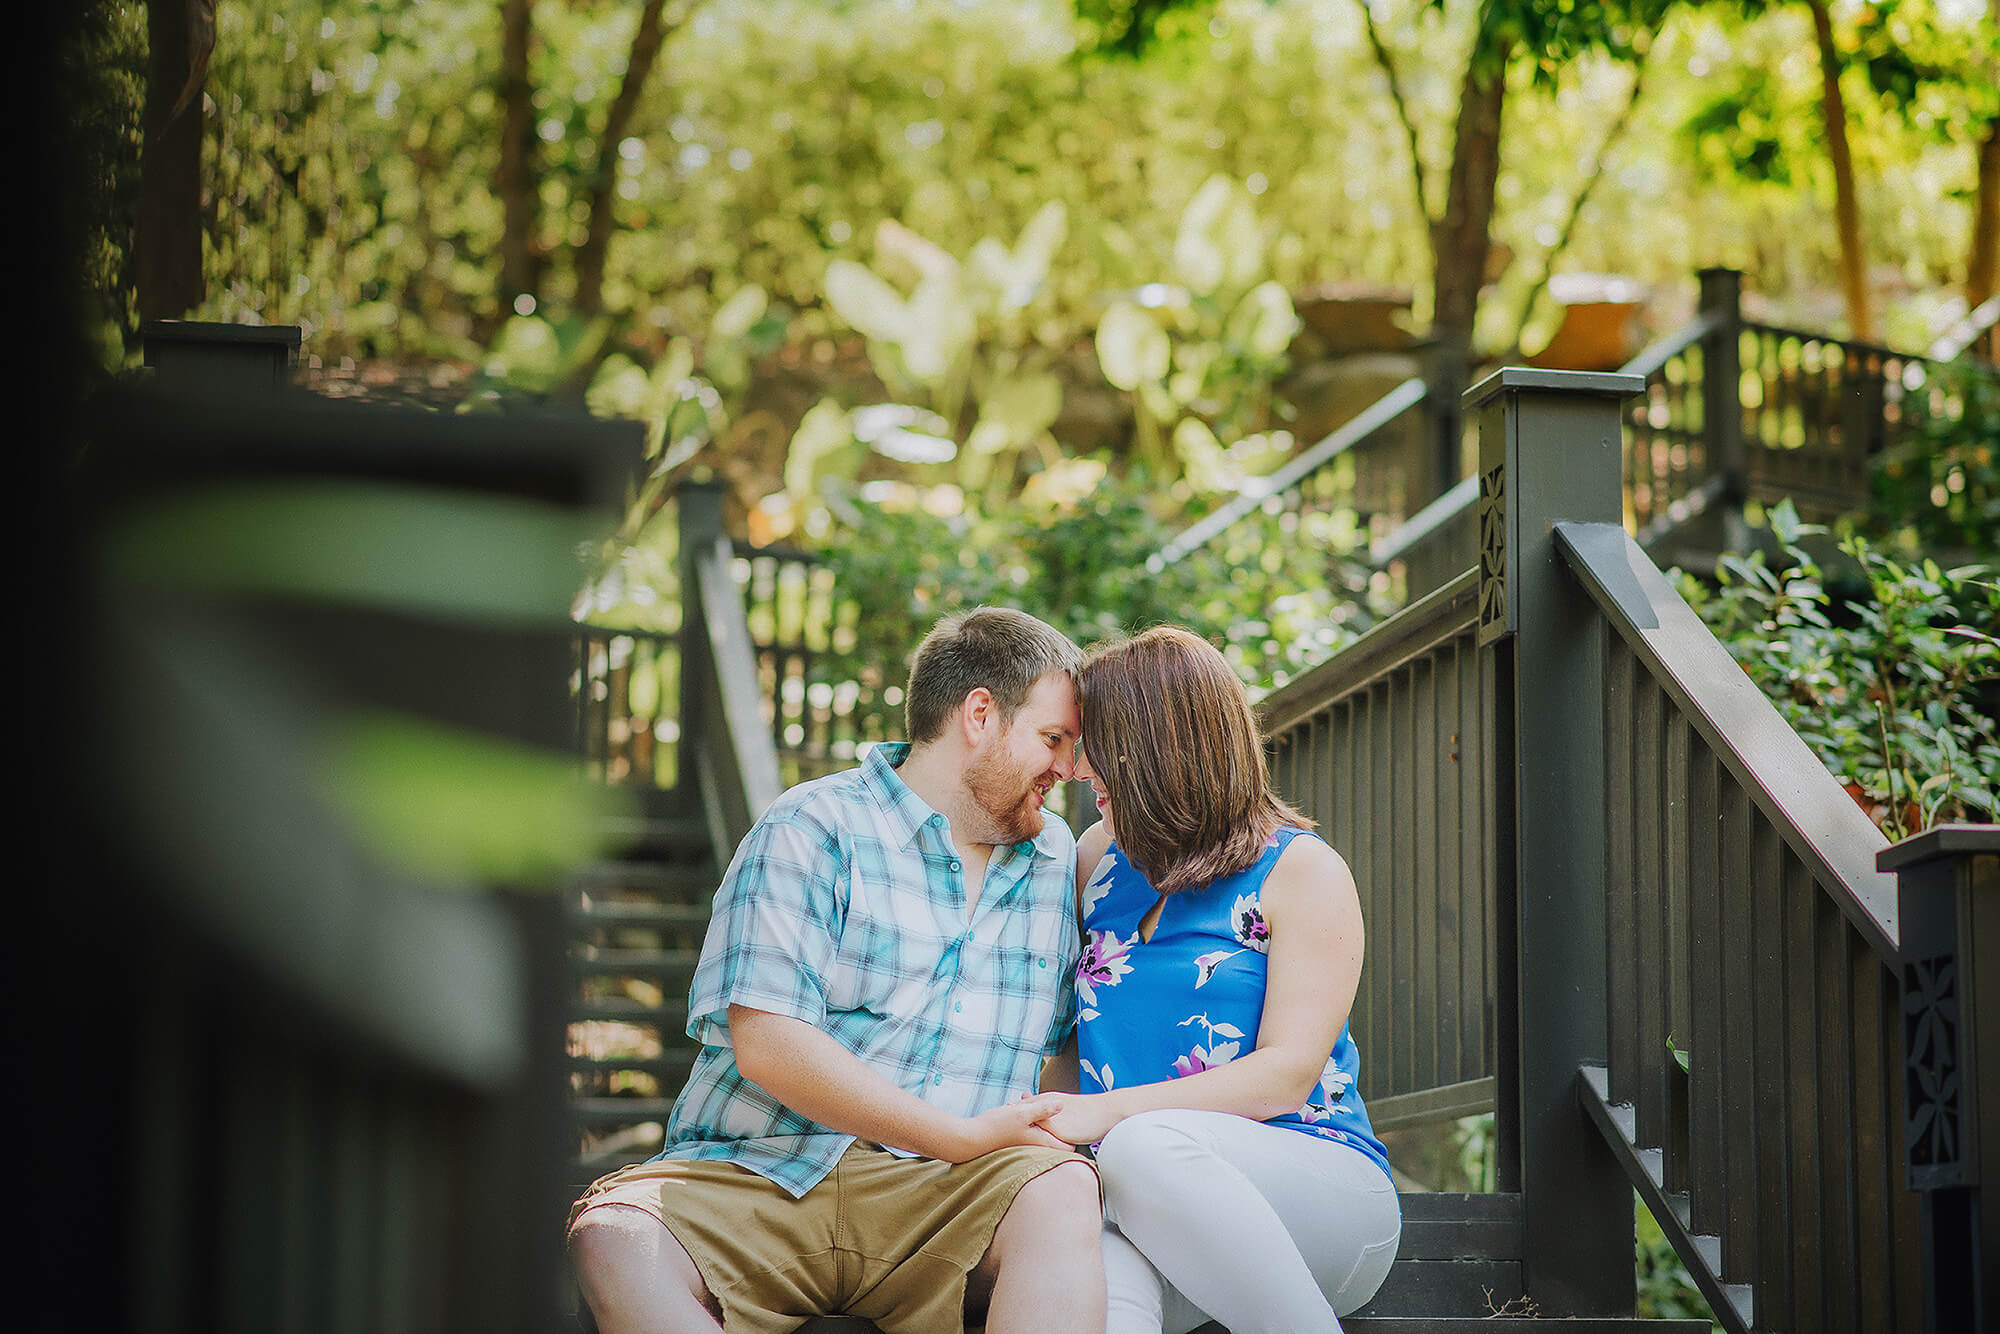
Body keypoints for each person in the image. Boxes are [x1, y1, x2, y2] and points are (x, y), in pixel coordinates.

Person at [567, 606, 1107, 1334]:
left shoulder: (1056, 862)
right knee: (615, 1241)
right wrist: (956, 1133)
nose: (1069, 769)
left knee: (1064, 1190)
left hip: (947, 1197)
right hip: (762, 1170)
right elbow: (769, 1042)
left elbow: (1068, 1049)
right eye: (1054, 739)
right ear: (980, 714)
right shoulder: (813, 827)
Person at [1037, 626, 1400, 1334]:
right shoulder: (1094, 862)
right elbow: (1073, 1052)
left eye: (1097, 746)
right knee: (1093, 1275)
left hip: (1321, 1190)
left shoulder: (1301, 870)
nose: (1079, 771)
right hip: (1147, 1201)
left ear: (1158, 749)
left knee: (1140, 1146)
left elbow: (1285, 1077)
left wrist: (1105, 1116)